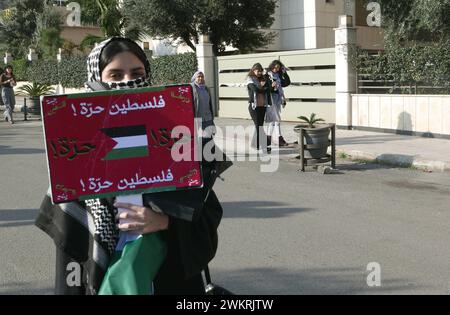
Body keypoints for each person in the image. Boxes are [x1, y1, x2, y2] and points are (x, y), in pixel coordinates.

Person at [35, 37, 224, 295]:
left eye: (136, 73)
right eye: (115, 74)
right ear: (96, 80)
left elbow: (206, 225)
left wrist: (166, 223)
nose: (127, 82)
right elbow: (71, 252)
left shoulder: (177, 142)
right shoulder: (74, 158)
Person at [265, 60, 291, 148]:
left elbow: (287, 83)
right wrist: (271, 86)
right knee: (276, 119)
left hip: (278, 98)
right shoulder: (267, 75)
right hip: (270, 98)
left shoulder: (278, 75)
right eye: (275, 67)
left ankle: (268, 140)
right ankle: (279, 139)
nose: (276, 69)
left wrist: (285, 73)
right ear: (271, 66)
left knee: (274, 120)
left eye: (278, 68)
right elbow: (264, 88)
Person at [246, 63, 271, 152]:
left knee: (260, 125)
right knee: (258, 126)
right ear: (253, 70)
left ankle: (255, 144)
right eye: (257, 70)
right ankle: (265, 144)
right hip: (254, 107)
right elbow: (255, 89)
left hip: (262, 106)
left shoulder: (263, 79)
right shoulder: (250, 79)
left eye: (261, 70)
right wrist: (263, 87)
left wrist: (266, 79)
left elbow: (269, 89)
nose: (259, 72)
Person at [191, 70, 215, 139]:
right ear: (195, 78)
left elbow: (210, 103)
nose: (200, 78)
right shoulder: (192, 89)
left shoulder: (206, 89)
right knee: (200, 139)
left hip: (208, 118)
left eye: (202, 77)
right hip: (198, 118)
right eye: (198, 77)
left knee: (209, 138)